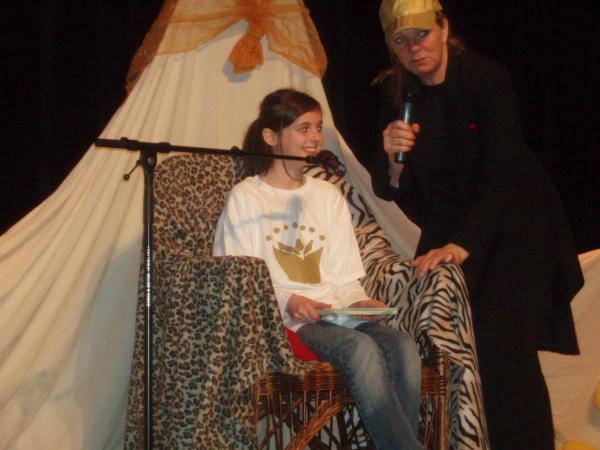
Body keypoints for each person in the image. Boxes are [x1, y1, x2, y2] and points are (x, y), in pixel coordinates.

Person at [370, 1, 584, 449]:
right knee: (455, 352)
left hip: (515, 225)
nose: (414, 48)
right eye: (401, 41)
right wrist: (392, 159)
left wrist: (461, 245)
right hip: (452, 226)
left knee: (504, 349)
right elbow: (391, 190)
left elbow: (503, 174)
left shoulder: (486, 78)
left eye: (422, 35)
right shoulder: (399, 92)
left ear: (444, 29)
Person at [213, 88, 425, 450]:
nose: (314, 137)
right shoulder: (246, 197)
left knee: (403, 346)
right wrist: (290, 300)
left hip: (337, 316)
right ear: (271, 136)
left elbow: (345, 275)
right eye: (303, 128)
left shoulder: (327, 195)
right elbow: (238, 280)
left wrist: (359, 302)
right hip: (284, 323)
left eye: (317, 127)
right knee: (361, 350)